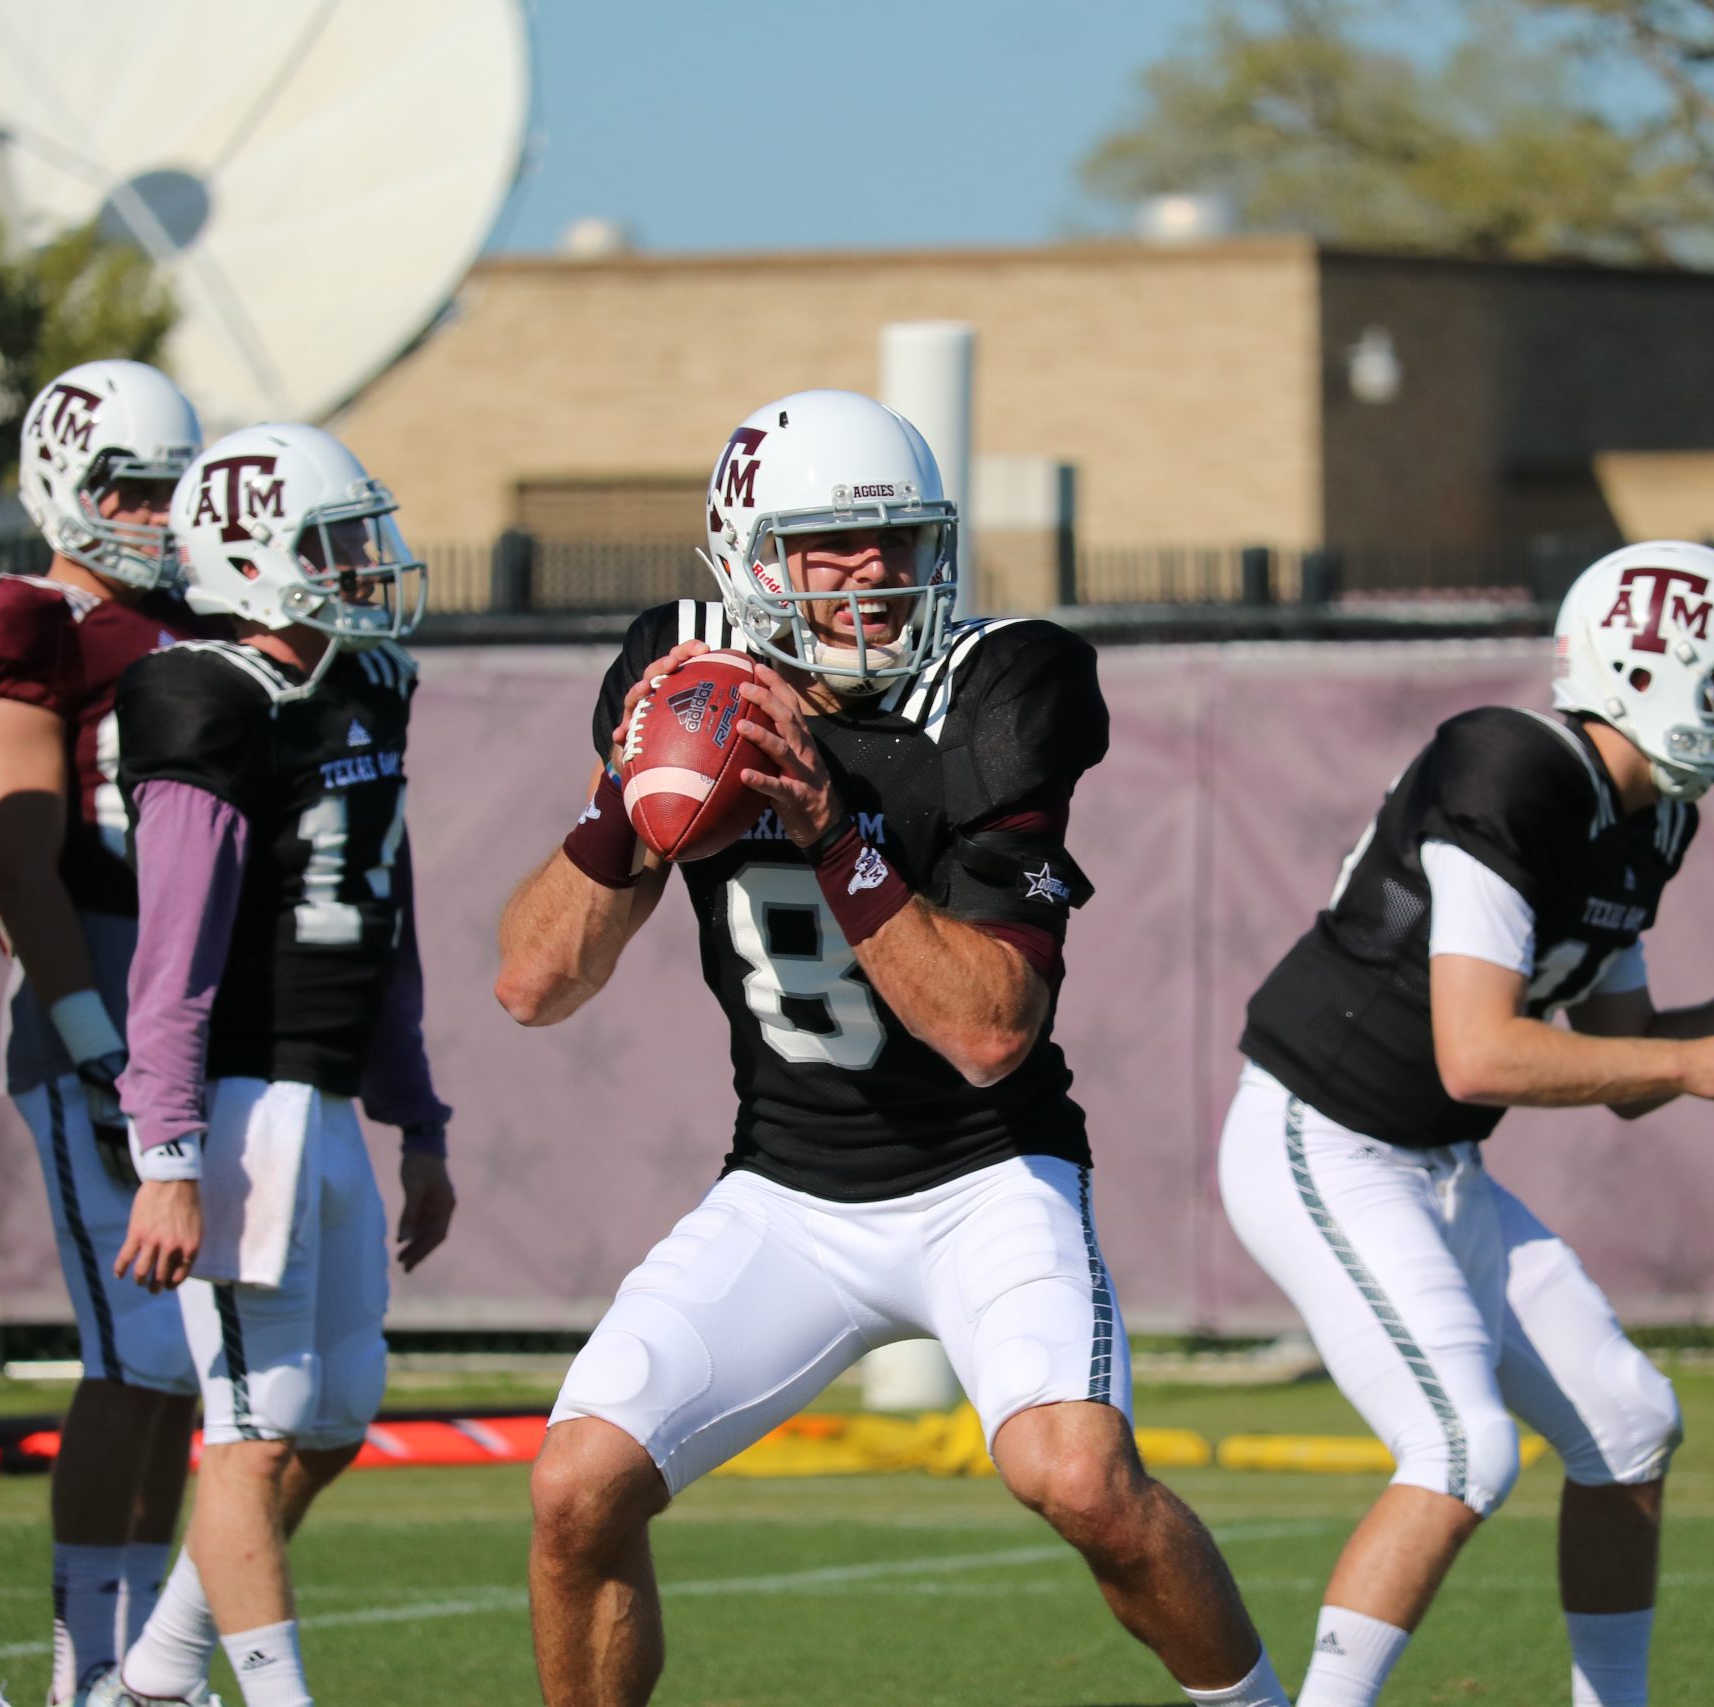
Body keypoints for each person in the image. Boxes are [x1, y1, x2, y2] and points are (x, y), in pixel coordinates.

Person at [497, 389, 1290, 1707]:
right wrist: (616, 803)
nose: (875, 578)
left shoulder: (1001, 683)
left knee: (1081, 1475)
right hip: (788, 1185)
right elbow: (533, 982)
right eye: (831, 548)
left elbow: (990, 1029)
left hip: (987, 1171)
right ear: (749, 559)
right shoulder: (680, 663)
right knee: (576, 1483)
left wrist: (828, 827)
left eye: (901, 543)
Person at [1221, 542, 1714, 1707]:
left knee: (1630, 1424)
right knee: (1461, 1450)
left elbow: (1625, 1063)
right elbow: (1478, 1051)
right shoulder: (1510, 768)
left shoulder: (1650, 821)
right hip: (1320, 1140)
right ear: (1648, 674)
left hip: (1433, 1163)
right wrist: (1698, 1059)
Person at [84, 423, 455, 1707]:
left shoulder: (366, 684)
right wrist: (168, 1155)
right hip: (243, 1102)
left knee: (337, 1413)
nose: (365, 562)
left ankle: (154, 1678)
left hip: (330, 1096)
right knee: (247, 1433)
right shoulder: (205, 695)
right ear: (253, 556)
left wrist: (422, 1124)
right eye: (335, 542)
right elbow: (171, 957)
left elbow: (387, 922)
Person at [0, 360, 208, 1703]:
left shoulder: (199, 614)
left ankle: (138, 1655)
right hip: (98, 985)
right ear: (60, 483)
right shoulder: (25, 622)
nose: (156, 512)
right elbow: (17, 858)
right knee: (135, 1350)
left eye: (170, 483)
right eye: (127, 486)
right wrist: (97, 1035)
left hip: (194, 1000)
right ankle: (87, 1667)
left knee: (185, 1372)